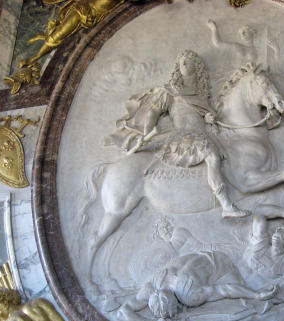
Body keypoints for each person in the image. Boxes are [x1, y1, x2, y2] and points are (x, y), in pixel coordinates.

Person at [104, 50, 249, 218]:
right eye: (182, 62)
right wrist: (147, 132)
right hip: (182, 135)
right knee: (212, 156)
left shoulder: (200, 95)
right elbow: (153, 112)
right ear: (178, 68)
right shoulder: (171, 92)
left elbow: (204, 115)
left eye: (188, 62)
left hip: (202, 135)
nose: (185, 65)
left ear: (197, 67)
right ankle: (226, 205)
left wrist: (208, 117)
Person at [118, 251, 278, 321]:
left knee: (242, 305)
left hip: (223, 265)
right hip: (204, 254)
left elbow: (225, 290)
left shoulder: (189, 295)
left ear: (176, 304)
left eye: (174, 310)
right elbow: (122, 312)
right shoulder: (155, 283)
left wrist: (256, 294)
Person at [20, 0, 140, 67]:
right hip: (81, 7)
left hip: (86, 14)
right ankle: (35, 58)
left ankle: (34, 58)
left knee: (58, 35)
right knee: (57, 35)